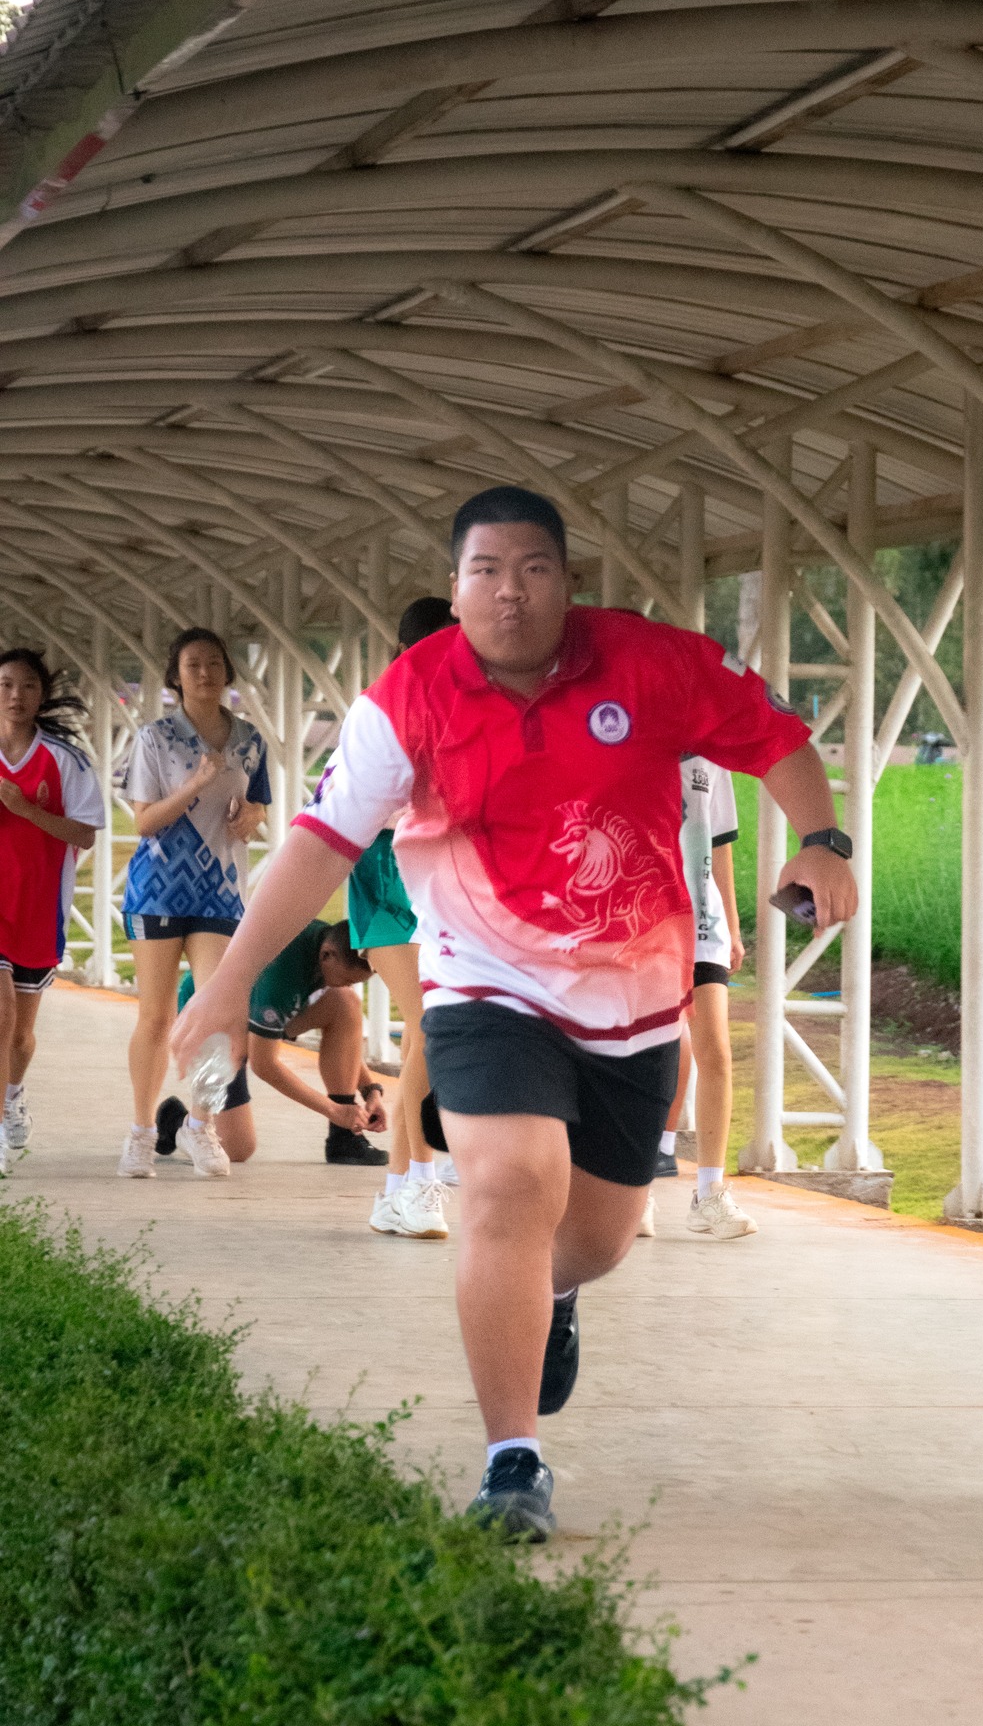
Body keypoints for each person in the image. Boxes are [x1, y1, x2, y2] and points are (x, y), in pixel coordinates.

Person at [172, 484, 857, 1543]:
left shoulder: (651, 662)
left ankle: (554, 1295)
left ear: (566, 582)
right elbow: (318, 843)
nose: (510, 591)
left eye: (533, 569)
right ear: (455, 590)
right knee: (508, 1180)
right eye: (485, 571)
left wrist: (823, 841)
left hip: (634, 995)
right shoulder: (409, 698)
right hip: (483, 979)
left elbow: (779, 740)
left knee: (601, 1236)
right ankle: (512, 1460)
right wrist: (225, 988)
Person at [118, 627, 269, 1182]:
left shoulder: (250, 740)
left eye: (213, 663)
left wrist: (251, 816)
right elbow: (144, 821)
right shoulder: (155, 738)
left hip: (220, 891)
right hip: (157, 888)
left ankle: (199, 1125)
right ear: (175, 677)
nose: (204, 673)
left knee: (219, 1015)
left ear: (227, 671)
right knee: (156, 1016)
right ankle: (141, 1131)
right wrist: (196, 783)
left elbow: (258, 808)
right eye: (192, 665)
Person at [357, 595, 457, 1241]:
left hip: (437, 883)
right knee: (427, 1022)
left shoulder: (469, 707)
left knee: (430, 1031)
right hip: (384, 881)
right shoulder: (381, 709)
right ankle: (417, 1179)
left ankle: (397, 1188)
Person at [160, 919, 388, 1167]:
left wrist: (370, 1090)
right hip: (212, 1026)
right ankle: (175, 1121)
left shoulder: (327, 942)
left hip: (254, 1011)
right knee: (237, 1148)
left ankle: (344, 1137)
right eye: (346, 979)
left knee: (345, 1002)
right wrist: (333, 1110)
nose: (348, 984)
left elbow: (345, 1044)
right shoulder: (281, 977)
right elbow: (264, 1065)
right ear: (327, 955)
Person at [641, 755, 755, 1240]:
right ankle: (635, 1190)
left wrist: (732, 925)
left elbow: (719, 843)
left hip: (702, 921)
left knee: (717, 1051)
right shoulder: (622, 733)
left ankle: (710, 1193)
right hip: (640, 917)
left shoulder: (713, 757)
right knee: (647, 1054)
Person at [0, 649, 105, 1171]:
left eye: (27, 686)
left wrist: (24, 809)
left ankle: (13, 1094)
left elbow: (84, 835)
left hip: (38, 911)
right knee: (1, 1018)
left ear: (42, 695)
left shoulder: (66, 761)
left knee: (20, 1035)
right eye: (5, 684)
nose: (15, 695)